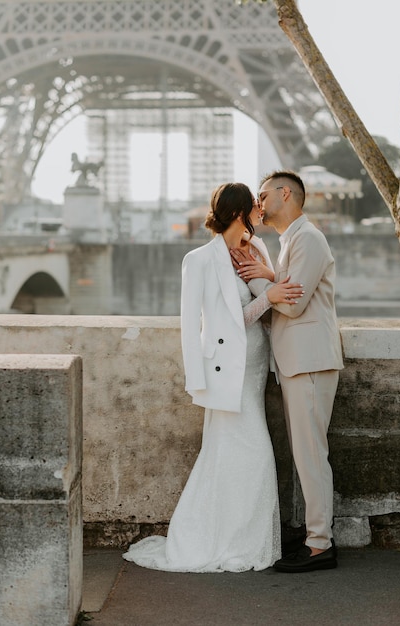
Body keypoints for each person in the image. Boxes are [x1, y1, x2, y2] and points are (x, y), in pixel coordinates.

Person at [123, 182, 304, 573]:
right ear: (240, 212)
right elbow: (204, 326)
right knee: (248, 453)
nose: (261, 210)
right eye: (254, 206)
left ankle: (239, 537)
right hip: (226, 373)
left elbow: (272, 307)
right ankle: (226, 539)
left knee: (232, 456)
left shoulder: (256, 250)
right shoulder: (200, 260)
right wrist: (267, 299)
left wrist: (270, 291)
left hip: (255, 370)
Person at [231, 171, 344, 573]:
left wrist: (265, 280)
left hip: (309, 361)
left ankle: (319, 545)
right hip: (299, 361)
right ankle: (316, 536)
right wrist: (271, 278)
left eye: (263, 195)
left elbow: (292, 305)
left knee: (311, 455)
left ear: (285, 194)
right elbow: (287, 296)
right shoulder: (291, 242)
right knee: (306, 454)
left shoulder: (308, 238)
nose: (258, 204)